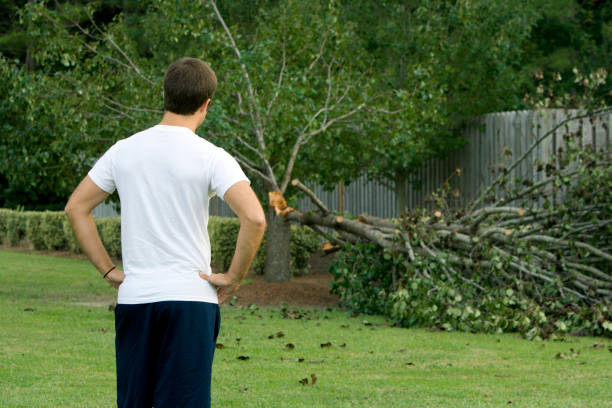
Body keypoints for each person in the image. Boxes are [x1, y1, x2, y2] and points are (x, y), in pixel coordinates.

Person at [64, 57, 266, 408]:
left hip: (136, 299)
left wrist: (108, 270)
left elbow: (76, 207)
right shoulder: (213, 156)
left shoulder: (123, 151)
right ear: (206, 105)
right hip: (192, 301)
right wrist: (234, 277)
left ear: (164, 94)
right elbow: (255, 218)